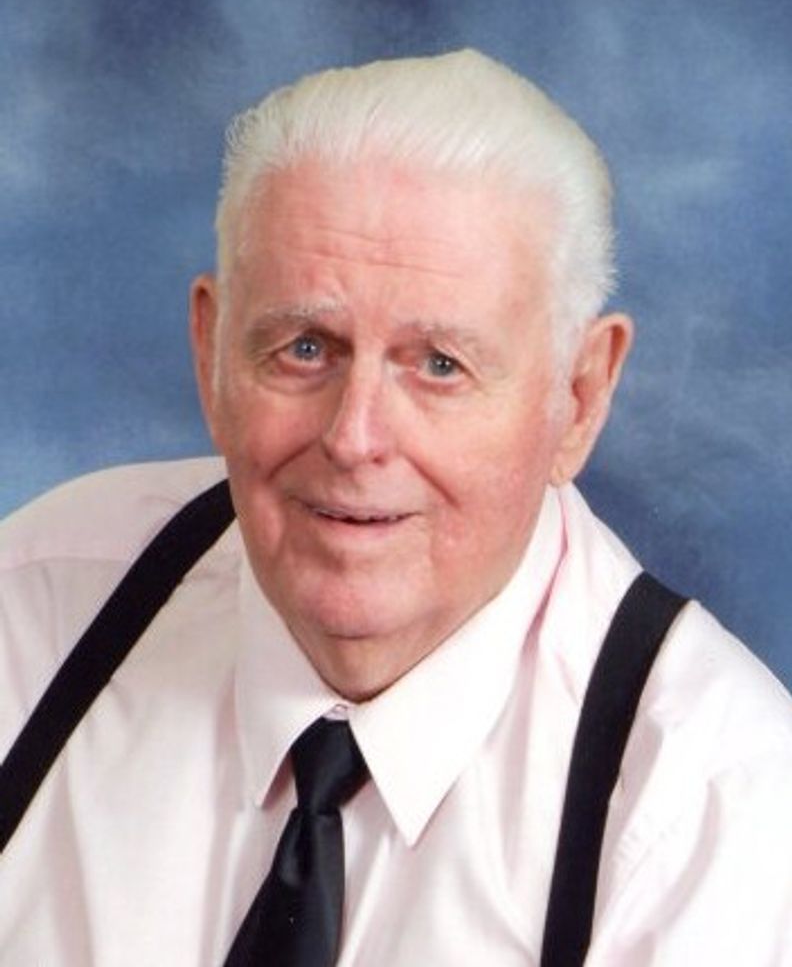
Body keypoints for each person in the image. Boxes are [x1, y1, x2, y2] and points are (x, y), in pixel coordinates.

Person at [1, 49, 791, 966]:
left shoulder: (713, 812)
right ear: (212, 352)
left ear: (578, 398)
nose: (355, 438)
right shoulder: (37, 615)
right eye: (305, 348)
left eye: (440, 366)